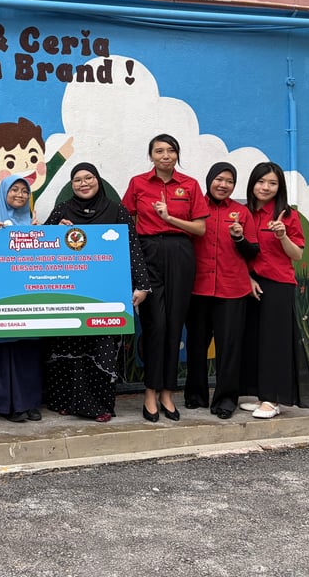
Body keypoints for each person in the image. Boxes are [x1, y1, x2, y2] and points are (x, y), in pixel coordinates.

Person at [44, 163, 151, 422]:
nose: (84, 183)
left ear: (98, 180)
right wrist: (56, 230)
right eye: (77, 179)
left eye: (89, 177)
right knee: (70, 347)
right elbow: (42, 243)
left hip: (105, 297)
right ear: (71, 185)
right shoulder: (62, 210)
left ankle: (99, 406)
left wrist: (142, 285)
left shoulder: (116, 211)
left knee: (100, 347)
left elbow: (132, 248)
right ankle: (66, 401)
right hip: (69, 294)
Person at [122, 134, 208, 423]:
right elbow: (125, 221)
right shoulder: (138, 183)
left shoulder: (190, 185)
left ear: (177, 154)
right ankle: (149, 391)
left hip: (181, 253)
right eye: (159, 151)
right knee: (154, 325)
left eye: (171, 150)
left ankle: (168, 392)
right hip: (148, 253)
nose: (165, 155)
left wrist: (170, 218)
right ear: (151, 156)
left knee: (174, 326)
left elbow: (199, 229)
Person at [239, 162, 309, 418]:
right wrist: (247, 279)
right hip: (250, 284)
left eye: (272, 183)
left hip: (278, 285)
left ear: (279, 187)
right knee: (254, 341)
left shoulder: (287, 215)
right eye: (261, 182)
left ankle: (273, 400)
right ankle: (262, 395)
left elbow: (296, 255)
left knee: (274, 342)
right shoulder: (242, 213)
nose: (265, 187)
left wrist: (282, 235)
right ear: (252, 183)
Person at [184, 162, 259, 419]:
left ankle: (226, 399)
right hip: (198, 289)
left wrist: (239, 237)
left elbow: (252, 252)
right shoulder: (195, 208)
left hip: (232, 290)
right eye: (219, 179)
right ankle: (195, 394)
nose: (223, 185)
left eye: (229, 181)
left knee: (229, 347)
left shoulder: (242, 213)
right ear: (209, 180)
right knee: (196, 344)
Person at [0, 174, 43, 422]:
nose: (20, 194)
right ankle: (9, 405)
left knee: (28, 352)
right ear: (3, 193)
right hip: (2, 301)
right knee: (6, 355)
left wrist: (40, 235)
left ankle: (30, 402)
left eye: (24, 191)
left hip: (28, 299)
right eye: (14, 190)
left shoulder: (32, 222)